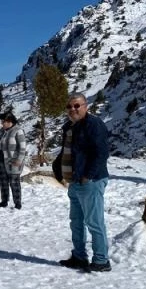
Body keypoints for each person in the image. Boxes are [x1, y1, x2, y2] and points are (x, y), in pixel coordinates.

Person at [53, 92, 111, 272]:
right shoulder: (69, 126)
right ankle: (79, 257)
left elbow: (101, 153)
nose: (73, 109)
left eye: (77, 105)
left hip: (90, 181)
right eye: (69, 106)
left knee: (94, 222)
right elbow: (67, 151)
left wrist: (88, 175)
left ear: (86, 106)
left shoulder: (94, 125)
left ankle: (101, 260)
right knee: (76, 221)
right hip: (74, 181)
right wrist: (58, 168)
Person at [0, 112, 26, 209]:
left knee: (14, 182)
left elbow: (22, 148)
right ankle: (4, 201)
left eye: (3, 121)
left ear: (9, 121)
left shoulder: (18, 131)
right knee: (3, 181)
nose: (2, 123)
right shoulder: (2, 131)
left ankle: (17, 203)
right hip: (1, 160)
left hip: (13, 161)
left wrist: (19, 160)